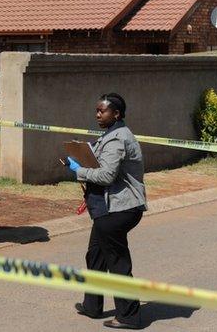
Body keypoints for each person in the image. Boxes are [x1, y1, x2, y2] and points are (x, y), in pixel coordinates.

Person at [65, 93, 146, 330]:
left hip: (120, 208)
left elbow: (106, 175)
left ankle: (129, 316)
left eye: (103, 111)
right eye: (97, 110)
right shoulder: (111, 134)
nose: (98, 114)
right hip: (107, 207)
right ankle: (92, 305)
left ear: (117, 114)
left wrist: (79, 171)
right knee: (96, 255)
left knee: (118, 263)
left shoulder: (118, 139)